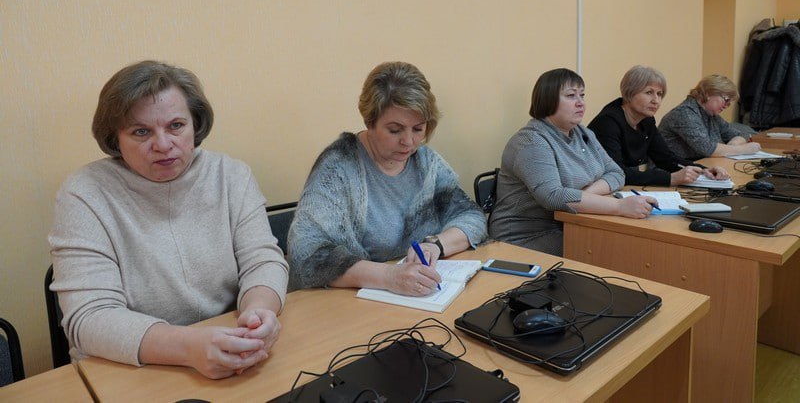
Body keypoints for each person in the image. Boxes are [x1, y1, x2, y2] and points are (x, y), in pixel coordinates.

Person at [49, 61, 288, 379]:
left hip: (232, 347)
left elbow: (262, 260)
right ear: (115, 138)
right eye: (141, 131)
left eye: (176, 125)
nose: (162, 145)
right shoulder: (84, 193)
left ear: (195, 124)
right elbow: (90, 317)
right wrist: (188, 347)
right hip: (127, 369)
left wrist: (260, 313)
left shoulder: (231, 176)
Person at [287, 61, 487, 295]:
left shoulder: (426, 162)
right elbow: (307, 256)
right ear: (369, 122)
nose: (408, 142)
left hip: (413, 296)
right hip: (349, 301)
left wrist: (436, 245)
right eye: (395, 130)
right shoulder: (339, 167)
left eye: (418, 129)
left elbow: (471, 216)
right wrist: (389, 277)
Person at [489, 68, 657, 256]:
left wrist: (585, 196)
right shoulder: (531, 141)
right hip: (526, 237)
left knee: (629, 247)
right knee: (616, 251)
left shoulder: (583, 133)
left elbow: (616, 173)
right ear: (548, 100)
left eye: (582, 95)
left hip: (570, 223)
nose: (580, 103)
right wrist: (619, 207)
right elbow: (553, 196)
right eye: (571, 95)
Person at [588, 65, 729, 186]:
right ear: (629, 93)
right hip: (595, 187)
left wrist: (703, 170)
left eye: (660, 94)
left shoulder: (647, 120)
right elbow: (617, 172)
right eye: (649, 92)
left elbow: (666, 158)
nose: (656, 100)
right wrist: (671, 178)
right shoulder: (608, 122)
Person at [658, 74, 761, 161]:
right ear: (709, 93)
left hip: (699, 167)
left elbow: (741, 134)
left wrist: (732, 146)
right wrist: (744, 149)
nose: (727, 106)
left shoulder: (711, 115)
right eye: (726, 100)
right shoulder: (684, 113)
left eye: (729, 103)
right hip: (672, 172)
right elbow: (707, 149)